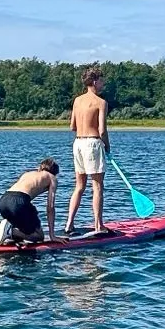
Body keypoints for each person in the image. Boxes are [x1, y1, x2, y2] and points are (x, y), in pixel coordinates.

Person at [63, 67, 110, 236]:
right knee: (97, 186)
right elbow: (102, 130)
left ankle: (69, 224)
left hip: (78, 143)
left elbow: (72, 127)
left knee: (79, 186)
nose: (103, 84)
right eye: (102, 80)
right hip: (92, 143)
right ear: (95, 81)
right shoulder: (101, 102)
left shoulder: (77, 101)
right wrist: (107, 146)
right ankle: (99, 225)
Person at [0, 158, 62, 245]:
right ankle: (10, 231)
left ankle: (2, 231)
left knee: (24, 225)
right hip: (19, 201)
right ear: (55, 172)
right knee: (38, 236)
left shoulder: (27, 174)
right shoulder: (52, 178)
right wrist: (52, 235)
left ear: (40, 168)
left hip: (3, 200)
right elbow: (50, 207)